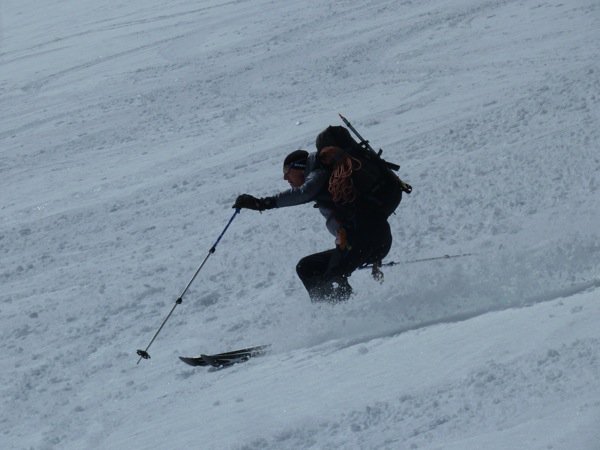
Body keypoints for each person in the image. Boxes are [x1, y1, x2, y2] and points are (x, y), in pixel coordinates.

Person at [233, 130, 393, 303]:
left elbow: (303, 193)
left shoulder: (320, 172)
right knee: (307, 268)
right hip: (361, 241)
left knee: (333, 276)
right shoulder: (328, 177)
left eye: (287, 171)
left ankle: (347, 317)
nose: (285, 177)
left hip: (366, 240)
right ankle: (328, 312)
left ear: (299, 167)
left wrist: (262, 203)